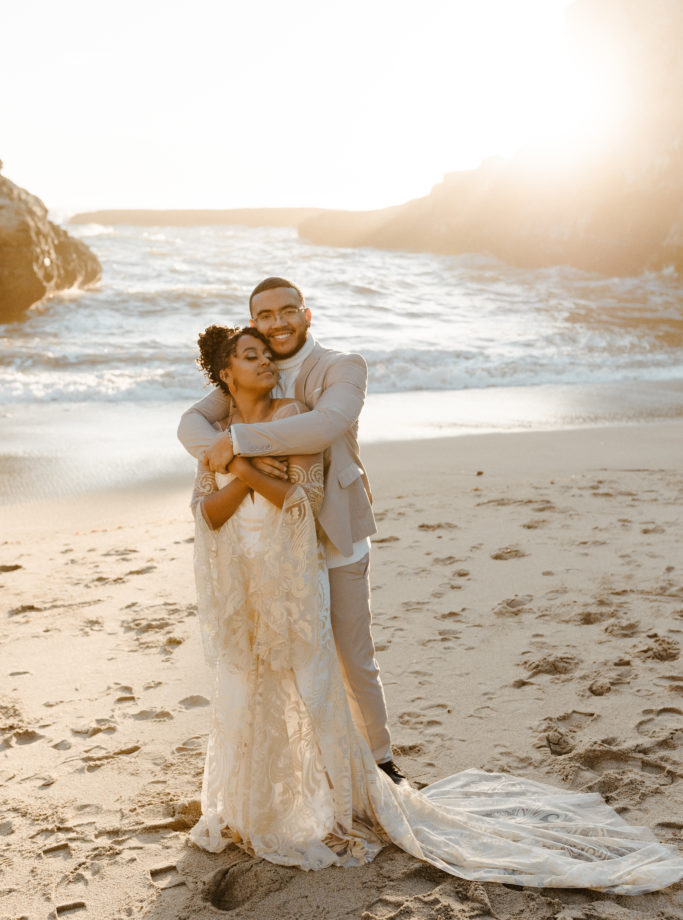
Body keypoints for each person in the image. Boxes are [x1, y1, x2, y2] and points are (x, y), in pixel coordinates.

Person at [187, 322, 683, 890]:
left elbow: (305, 498)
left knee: (314, 686)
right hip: (244, 583)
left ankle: (337, 805)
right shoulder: (213, 429)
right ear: (226, 374)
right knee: (248, 692)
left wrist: (242, 466)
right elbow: (207, 513)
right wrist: (236, 468)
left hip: (294, 585)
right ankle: (254, 811)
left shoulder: (294, 414)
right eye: (251, 356)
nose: (265, 362)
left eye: (265, 354)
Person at [178, 277, 403, 782]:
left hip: (333, 526)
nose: (276, 322)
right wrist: (233, 461)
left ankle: (383, 762)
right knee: (295, 661)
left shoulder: (343, 366)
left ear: (306, 314)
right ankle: (311, 765)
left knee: (351, 655)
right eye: (264, 315)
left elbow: (325, 426)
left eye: (287, 311)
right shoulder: (255, 365)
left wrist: (236, 440)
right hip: (275, 545)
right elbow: (191, 425)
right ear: (253, 321)